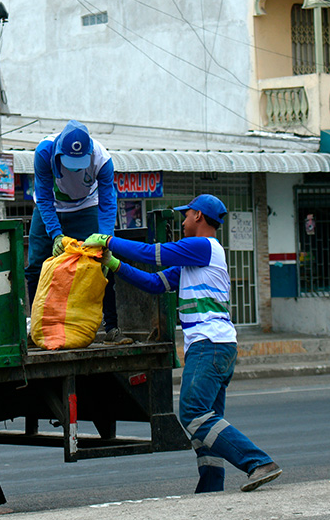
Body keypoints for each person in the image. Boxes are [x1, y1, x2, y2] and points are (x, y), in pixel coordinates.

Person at [84, 194, 281, 493]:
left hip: (209, 344)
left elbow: (151, 254)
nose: (183, 221)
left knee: (192, 414)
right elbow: (153, 283)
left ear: (199, 216)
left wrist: (108, 241)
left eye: (186, 215)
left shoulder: (204, 246)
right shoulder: (192, 262)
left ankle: (259, 463)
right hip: (217, 346)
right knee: (208, 422)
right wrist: (115, 265)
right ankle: (210, 488)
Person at [25, 120, 129, 344]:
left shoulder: (102, 160)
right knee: (35, 266)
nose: (74, 167)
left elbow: (108, 203)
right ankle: (36, 327)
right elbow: (43, 196)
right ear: (59, 150)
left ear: (89, 152)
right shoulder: (44, 152)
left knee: (100, 262)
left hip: (86, 206)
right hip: (49, 206)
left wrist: (105, 239)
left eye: (79, 162)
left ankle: (111, 327)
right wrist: (56, 234)